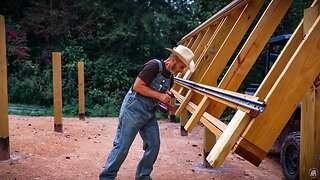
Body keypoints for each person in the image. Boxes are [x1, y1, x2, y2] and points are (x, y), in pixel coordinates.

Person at [99, 45, 195, 180]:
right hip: (133, 109)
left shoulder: (170, 79)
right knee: (122, 146)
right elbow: (137, 86)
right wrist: (160, 96)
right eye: (182, 66)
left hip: (149, 113)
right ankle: (107, 177)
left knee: (154, 144)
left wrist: (172, 107)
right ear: (174, 60)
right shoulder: (153, 66)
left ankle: (143, 175)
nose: (181, 70)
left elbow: (159, 98)